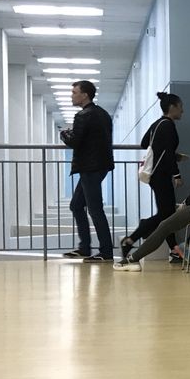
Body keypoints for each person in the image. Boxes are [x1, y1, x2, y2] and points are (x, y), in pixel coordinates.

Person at [120, 91, 187, 264]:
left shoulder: (157, 124)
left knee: (167, 214)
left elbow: (145, 143)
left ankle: (174, 250)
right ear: (172, 107)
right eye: (180, 107)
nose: (182, 110)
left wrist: (166, 151)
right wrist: (177, 174)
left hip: (155, 175)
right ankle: (133, 237)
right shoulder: (168, 126)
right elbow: (167, 153)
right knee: (166, 214)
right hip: (162, 174)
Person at [114, 156, 190, 272]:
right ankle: (174, 248)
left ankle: (133, 255)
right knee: (165, 219)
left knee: (164, 223)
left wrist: (186, 202)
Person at [60, 80, 115, 262]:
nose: (72, 96)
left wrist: (64, 133)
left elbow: (74, 141)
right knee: (76, 205)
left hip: (89, 167)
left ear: (84, 95)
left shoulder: (83, 115)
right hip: (100, 165)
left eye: (74, 92)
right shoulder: (103, 113)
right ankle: (84, 248)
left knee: (95, 209)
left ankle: (106, 252)